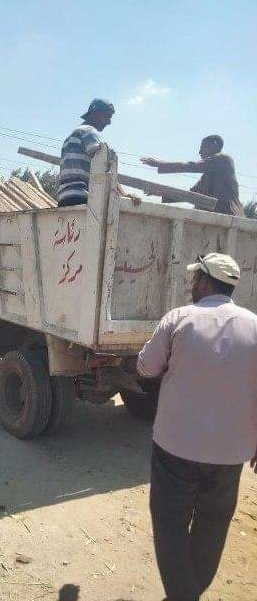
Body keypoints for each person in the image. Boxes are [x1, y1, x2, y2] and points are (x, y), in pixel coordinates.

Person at [137, 252, 257, 601]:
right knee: (213, 524)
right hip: (230, 453)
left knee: (169, 523)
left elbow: (146, 367)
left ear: (205, 282)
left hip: (175, 447)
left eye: (195, 278)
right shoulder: (254, 326)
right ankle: (188, 593)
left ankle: (183, 595)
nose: (192, 284)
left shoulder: (179, 319)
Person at [58, 98, 139, 207]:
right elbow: (103, 165)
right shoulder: (88, 131)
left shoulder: (70, 138)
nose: (109, 122)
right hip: (82, 196)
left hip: (64, 198)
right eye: (106, 116)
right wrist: (123, 194)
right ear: (95, 114)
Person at [141, 135, 244, 216]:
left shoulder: (223, 160)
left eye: (203, 147)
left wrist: (160, 164)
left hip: (228, 216)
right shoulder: (207, 177)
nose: (200, 152)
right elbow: (190, 195)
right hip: (210, 218)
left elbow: (191, 166)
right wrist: (161, 193)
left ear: (215, 146)